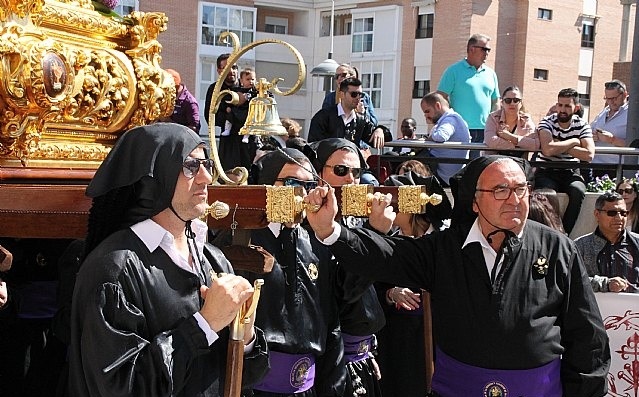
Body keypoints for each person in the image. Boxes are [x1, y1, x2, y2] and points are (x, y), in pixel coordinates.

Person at [305, 155, 610, 396]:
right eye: (501, 190)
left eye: (521, 189)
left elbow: (587, 335)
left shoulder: (557, 247)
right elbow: (388, 255)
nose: (515, 199)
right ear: (475, 201)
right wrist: (330, 231)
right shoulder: (444, 248)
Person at [69, 123, 268, 397]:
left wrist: (244, 335)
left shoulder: (213, 259)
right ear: (154, 178)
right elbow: (122, 387)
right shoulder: (113, 270)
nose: (207, 178)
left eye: (206, 164)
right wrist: (204, 325)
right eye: (190, 166)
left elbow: (244, 377)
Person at [238, 147, 347, 397]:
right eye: (290, 182)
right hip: (254, 387)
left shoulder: (317, 242)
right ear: (267, 184)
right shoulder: (241, 240)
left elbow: (331, 323)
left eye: (309, 185)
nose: (301, 193)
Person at [308, 138, 386, 397]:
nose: (351, 179)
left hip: (364, 355)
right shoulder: (310, 225)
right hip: (331, 359)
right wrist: (375, 234)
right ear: (319, 174)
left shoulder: (356, 216)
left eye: (357, 172)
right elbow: (343, 291)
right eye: (341, 171)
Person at [375, 171, 452, 397]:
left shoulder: (442, 243)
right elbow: (370, 287)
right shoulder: (388, 241)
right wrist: (390, 293)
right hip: (398, 337)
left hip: (438, 334)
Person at [535, 88, 595, 235]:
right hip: (547, 170)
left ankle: (564, 234)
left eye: (567, 106)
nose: (562, 110)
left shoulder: (582, 124)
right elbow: (547, 150)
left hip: (570, 170)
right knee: (547, 193)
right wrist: (574, 142)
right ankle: (550, 233)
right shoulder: (547, 122)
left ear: (576, 107)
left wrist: (560, 144)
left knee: (578, 190)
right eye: (560, 105)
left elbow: (589, 154)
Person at [437, 33, 500, 160]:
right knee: (460, 167)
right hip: (461, 130)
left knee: (480, 168)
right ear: (471, 49)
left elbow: (495, 101)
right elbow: (440, 97)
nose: (487, 53)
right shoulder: (453, 71)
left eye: (489, 50)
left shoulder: (490, 73)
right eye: (485, 49)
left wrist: (495, 125)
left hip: (485, 131)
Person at [574, 191, 639, 293]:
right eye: (612, 213)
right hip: (595, 307)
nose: (619, 218)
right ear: (597, 214)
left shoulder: (636, 243)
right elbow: (572, 280)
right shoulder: (580, 245)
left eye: (623, 213)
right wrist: (606, 284)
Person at [308, 77, 391, 151]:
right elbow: (313, 145)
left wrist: (380, 130)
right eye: (354, 94)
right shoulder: (323, 116)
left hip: (351, 165)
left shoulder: (360, 120)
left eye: (360, 94)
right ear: (342, 94)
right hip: (328, 165)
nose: (358, 98)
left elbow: (383, 139)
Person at [420, 92, 470, 187]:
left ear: (438, 106)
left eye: (427, 111)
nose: (426, 116)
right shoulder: (452, 119)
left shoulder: (450, 119)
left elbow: (441, 136)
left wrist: (430, 138)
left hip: (443, 176)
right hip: (445, 173)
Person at [483, 86, 538, 158]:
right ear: (502, 103)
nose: (512, 103)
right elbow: (490, 140)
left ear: (521, 103)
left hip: (518, 163)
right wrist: (516, 146)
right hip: (495, 161)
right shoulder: (493, 117)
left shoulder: (526, 119)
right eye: (508, 100)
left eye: (516, 100)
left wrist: (510, 137)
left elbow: (535, 144)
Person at [590, 80, 629, 170]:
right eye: (607, 98)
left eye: (614, 98)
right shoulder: (604, 111)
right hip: (595, 166)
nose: (610, 102)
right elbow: (590, 130)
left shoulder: (632, 114)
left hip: (617, 168)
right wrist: (592, 136)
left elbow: (635, 145)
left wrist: (612, 140)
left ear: (624, 94)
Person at [165, 68, 201, 133]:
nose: (164, 90)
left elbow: (194, 128)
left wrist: (169, 122)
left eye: (167, 88)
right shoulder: (165, 98)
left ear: (176, 86)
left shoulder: (190, 102)